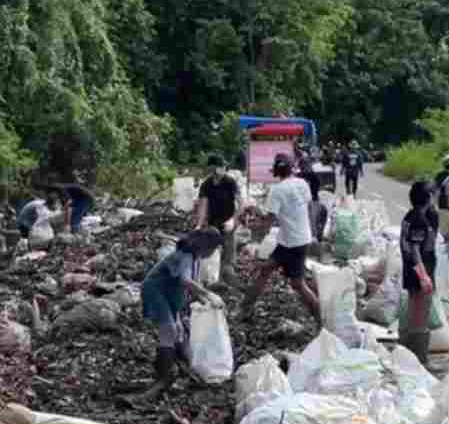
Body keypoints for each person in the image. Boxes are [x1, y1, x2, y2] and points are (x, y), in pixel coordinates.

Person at [129, 229, 227, 404]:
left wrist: (208, 301)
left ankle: (185, 370)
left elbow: (190, 286)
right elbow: (185, 281)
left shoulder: (194, 258)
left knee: (179, 332)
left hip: (168, 295)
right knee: (169, 331)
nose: (213, 253)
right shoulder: (185, 256)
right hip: (156, 291)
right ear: (205, 245)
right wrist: (208, 294)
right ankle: (163, 378)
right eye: (212, 248)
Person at [240, 153, 319, 325]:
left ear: (276, 171)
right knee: (265, 271)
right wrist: (313, 233)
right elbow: (309, 208)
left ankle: (321, 319)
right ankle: (244, 309)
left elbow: (267, 225)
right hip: (294, 240)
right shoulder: (302, 183)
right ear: (292, 168)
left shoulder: (277, 191)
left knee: (298, 284)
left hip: (292, 243)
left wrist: (249, 226)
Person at [399, 181, 438, 367]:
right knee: (420, 314)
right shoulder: (419, 220)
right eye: (432, 193)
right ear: (428, 197)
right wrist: (424, 276)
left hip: (411, 270)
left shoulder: (411, 215)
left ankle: (412, 357)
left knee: (415, 311)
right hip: (417, 272)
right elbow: (415, 250)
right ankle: (419, 360)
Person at [194, 154, 241, 287]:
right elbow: (203, 204)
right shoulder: (206, 184)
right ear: (213, 168)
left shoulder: (230, 182)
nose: (223, 169)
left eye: (224, 167)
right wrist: (199, 223)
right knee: (211, 251)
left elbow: (239, 203)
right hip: (213, 221)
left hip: (229, 221)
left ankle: (228, 276)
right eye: (221, 166)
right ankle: (212, 279)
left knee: (228, 252)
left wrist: (233, 220)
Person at [434, 154, 449, 233]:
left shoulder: (440, 175)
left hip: (447, 203)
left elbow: (436, 190)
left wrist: (435, 202)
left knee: (448, 225)